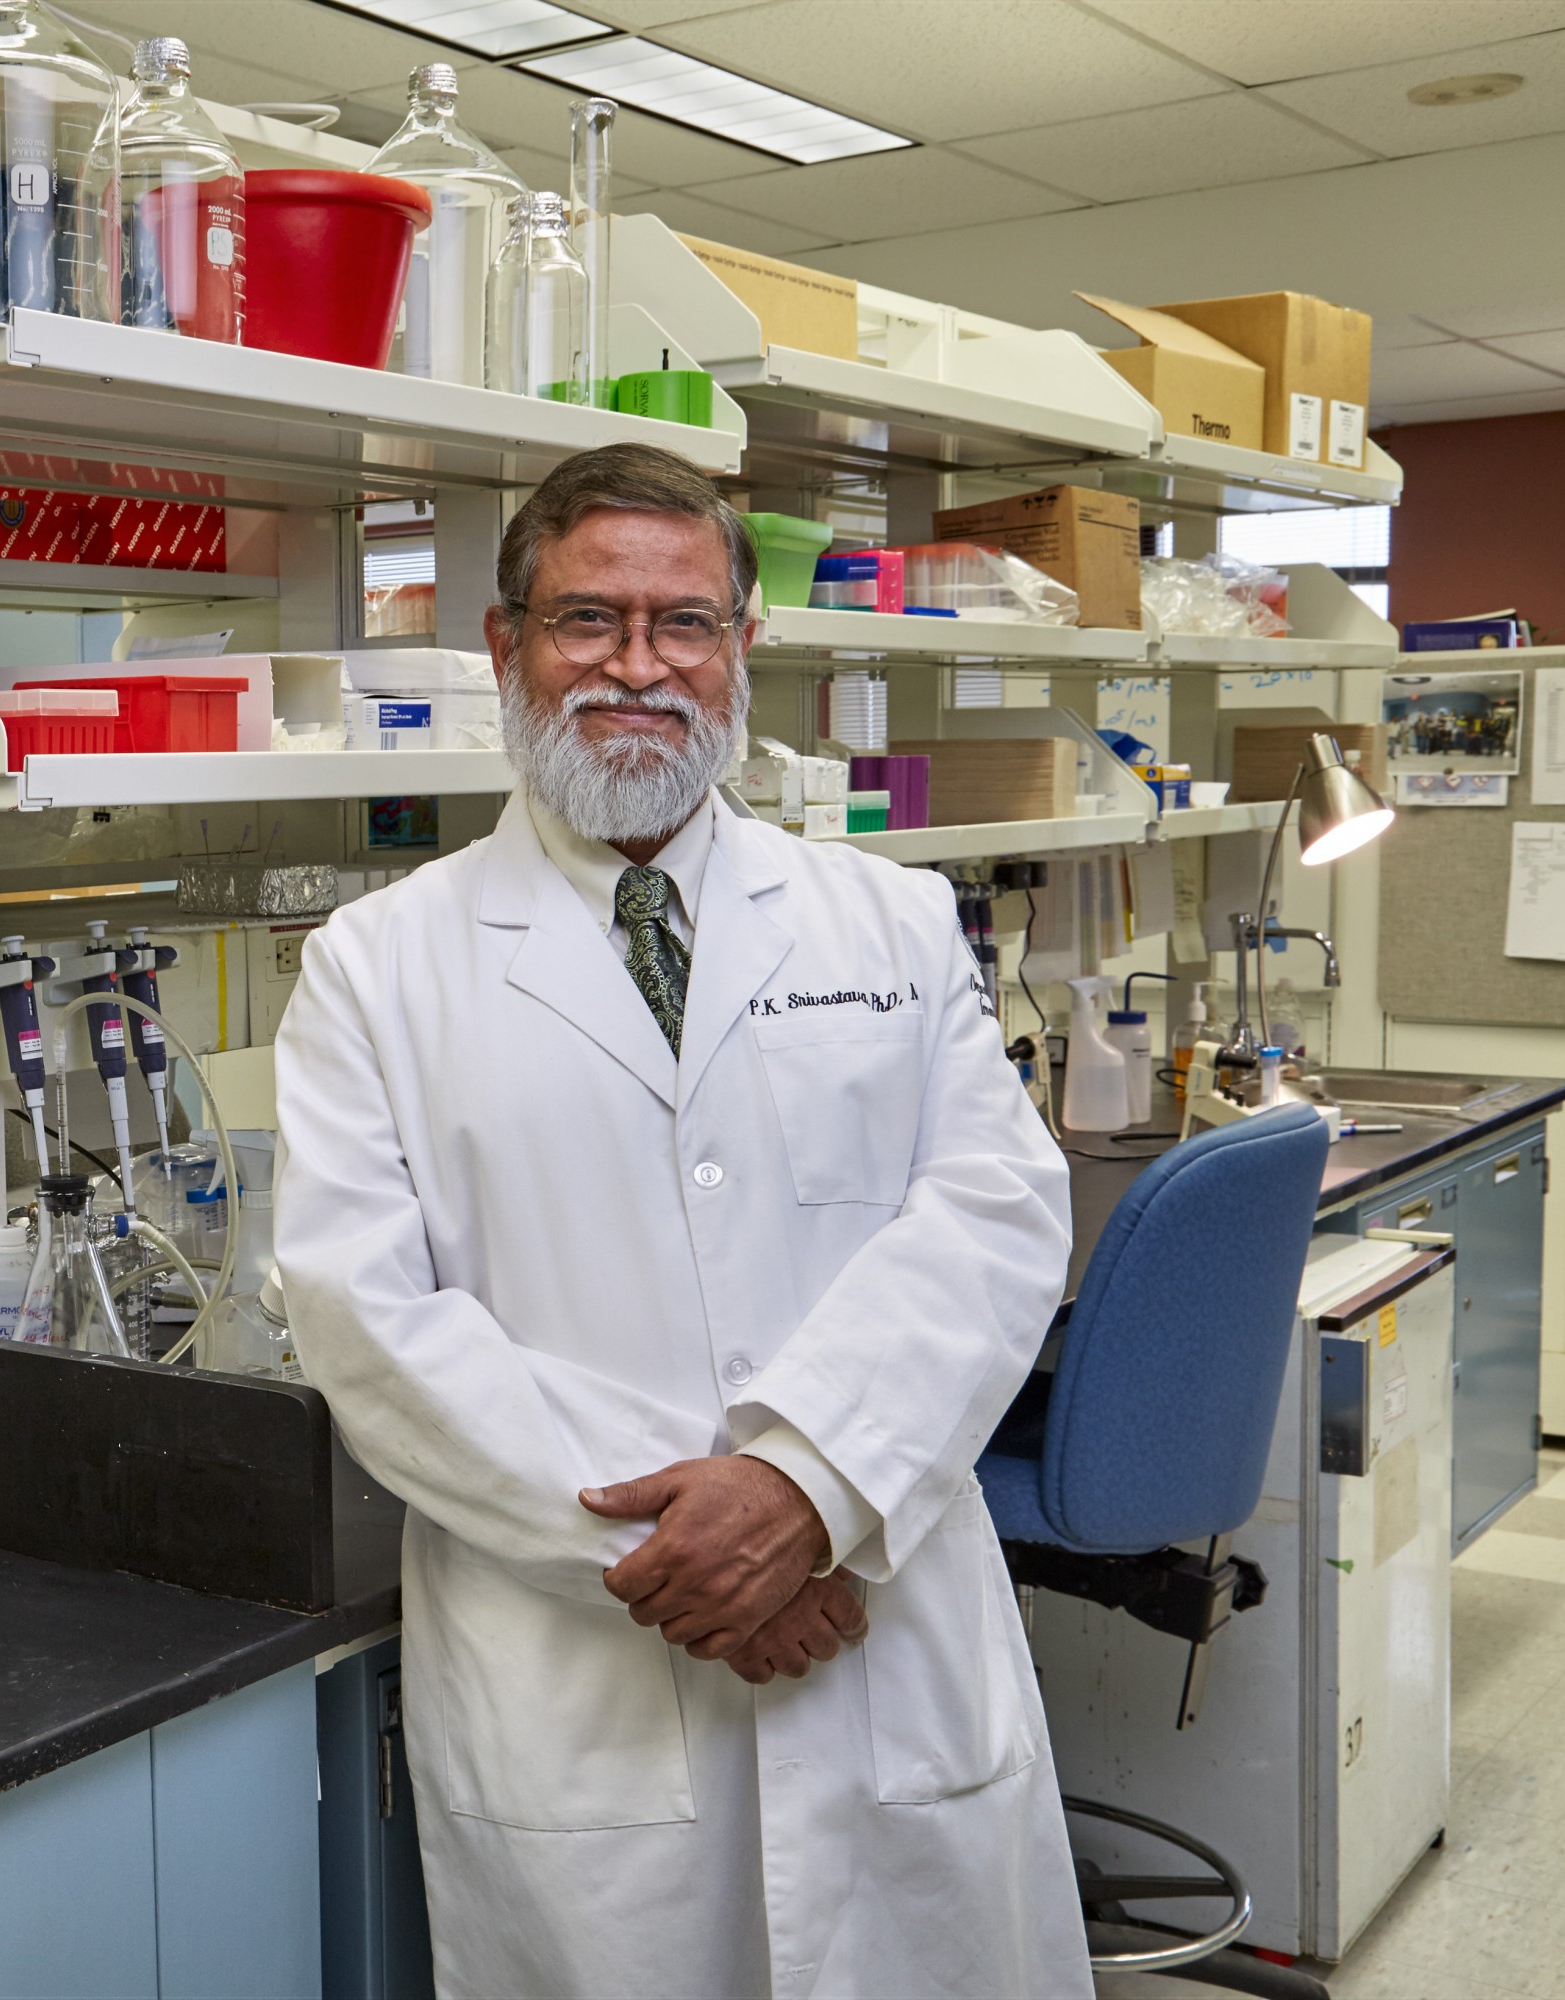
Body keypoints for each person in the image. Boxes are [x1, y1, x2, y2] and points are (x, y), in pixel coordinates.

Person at [275, 445, 1084, 1996]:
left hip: (879, 1628)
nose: (638, 669)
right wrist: (696, 1557)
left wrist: (806, 1492)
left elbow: (991, 1217)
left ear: (743, 650)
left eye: (685, 624)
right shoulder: (378, 968)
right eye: (589, 621)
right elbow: (371, 1325)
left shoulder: (892, 921)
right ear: (507, 647)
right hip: (590, 1671)